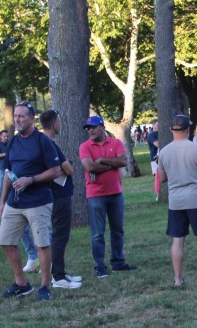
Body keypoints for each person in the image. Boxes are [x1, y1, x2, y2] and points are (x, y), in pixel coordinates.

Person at [0, 101, 62, 301]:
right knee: (6, 241)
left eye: (21, 116)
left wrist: (31, 179)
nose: (17, 120)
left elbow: (56, 171)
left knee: (42, 244)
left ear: (32, 118)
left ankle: (45, 286)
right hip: (15, 202)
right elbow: (8, 172)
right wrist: (2, 202)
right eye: (15, 116)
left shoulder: (43, 141)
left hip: (38, 201)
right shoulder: (13, 142)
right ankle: (21, 284)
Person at [159, 114, 197, 287]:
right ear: (188, 129)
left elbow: (162, 178)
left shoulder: (164, 151)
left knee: (178, 240)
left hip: (176, 201)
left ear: (171, 129)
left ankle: (177, 279)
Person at [80, 115, 137, 277]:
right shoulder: (85, 146)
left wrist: (101, 160)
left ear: (102, 127)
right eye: (88, 128)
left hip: (116, 194)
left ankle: (118, 262)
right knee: (98, 234)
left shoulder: (116, 143)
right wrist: (111, 165)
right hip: (95, 196)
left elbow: (123, 161)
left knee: (117, 231)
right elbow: (90, 167)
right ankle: (100, 266)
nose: (90, 130)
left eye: (93, 127)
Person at [40, 109, 81, 289]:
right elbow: (69, 170)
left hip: (54, 194)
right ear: (54, 123)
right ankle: (58, 277)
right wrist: (69, 166)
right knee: (60, 235)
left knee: (58, 234)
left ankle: (61, 272)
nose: (60, 124)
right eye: (59, 121)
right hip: (59, 194)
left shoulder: (43, 142)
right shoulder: (50, 144)